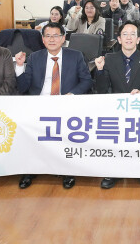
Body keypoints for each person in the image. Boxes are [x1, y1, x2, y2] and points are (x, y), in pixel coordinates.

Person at [14, 22, 92, 190]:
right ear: (42, 39)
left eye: (56, 36)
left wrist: (71, 95)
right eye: (48, 36)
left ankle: (67, 170)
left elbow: (86, 81)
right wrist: (19, 67)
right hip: (39, 105)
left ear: (63, 38)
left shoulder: (76, 56)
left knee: (66, 132)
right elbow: (23, 87)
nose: (51, 39)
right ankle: (30, 170)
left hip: (66, 104)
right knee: (27, 130)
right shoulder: (34, 57)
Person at [94, 21, 140, 189]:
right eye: (125, 34)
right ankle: (113, 172)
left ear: (138, 39)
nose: (129, 37)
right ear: (119, 39)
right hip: (116, 112)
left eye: (132, 34)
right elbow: (101, 90)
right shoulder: (109, 59)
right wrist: (99, 71)